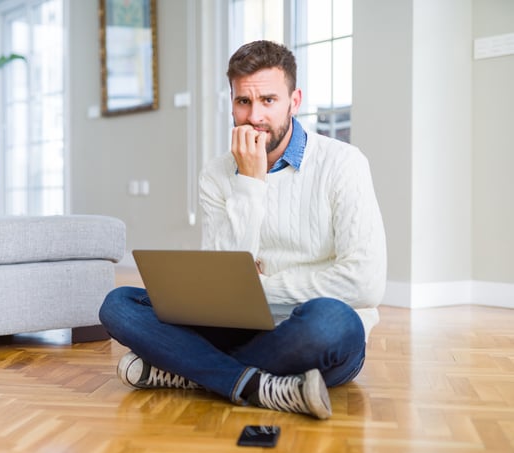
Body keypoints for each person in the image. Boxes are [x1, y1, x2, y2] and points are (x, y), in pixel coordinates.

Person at [99, 40, 386, 420]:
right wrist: (250, 183)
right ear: (231, 102)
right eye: (243, 102)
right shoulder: (217, 174)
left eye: (268, 100)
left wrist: (260, 287)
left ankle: (190, 372)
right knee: (119, 305)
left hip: (308, 336)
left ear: (294, 101)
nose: (254, 117)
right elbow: (222, 284)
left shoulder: (343, 163)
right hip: (238, 326)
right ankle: (259, 386)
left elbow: (364, 284)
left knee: (333, 322)